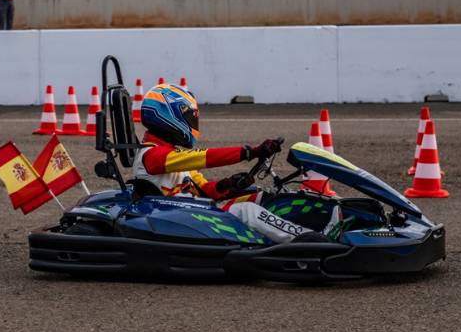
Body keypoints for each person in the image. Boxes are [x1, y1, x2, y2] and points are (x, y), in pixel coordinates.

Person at [133, 84, 337, 243]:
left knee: (262, 196)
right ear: (168, 115)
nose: (192, 123)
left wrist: (228, 184)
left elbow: (205, 189)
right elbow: (205, 157)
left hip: (195, 210)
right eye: (188, 117)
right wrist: (250, 152)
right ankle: (312, 240)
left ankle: (327, 217)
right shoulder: (151, 155)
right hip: (175, 217)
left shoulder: (174, 155)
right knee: (247, 211)